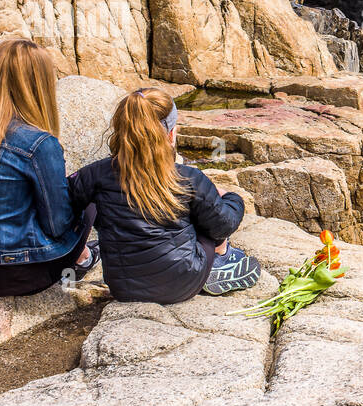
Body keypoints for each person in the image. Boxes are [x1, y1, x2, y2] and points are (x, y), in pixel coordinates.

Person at [70, 87, 260, 305]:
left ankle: (83, 259)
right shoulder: (189, 178)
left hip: (123, 286)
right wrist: (231, 198)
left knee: (84, 202)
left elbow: (64, 206)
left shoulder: (94, 174)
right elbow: (224, 224)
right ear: (171, 134)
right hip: (183, 284)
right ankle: (222, 258)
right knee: (207, 217)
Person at [0, 39, 98, 297]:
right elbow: (58, 225)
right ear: (38, 84)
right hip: (15, 274)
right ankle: (84, 257)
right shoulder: (38, 144)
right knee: (89, 202)